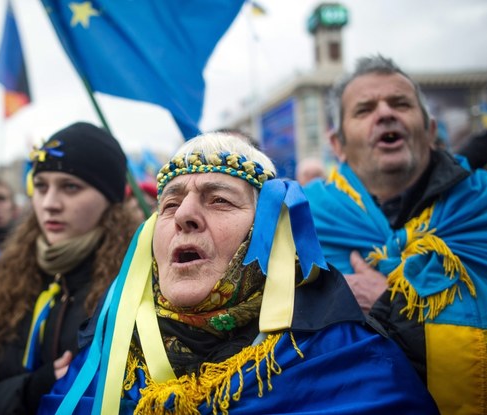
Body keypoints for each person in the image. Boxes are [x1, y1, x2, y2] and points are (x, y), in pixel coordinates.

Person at [39, 131, 438, 414]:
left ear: (270, 231)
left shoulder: (353, 363)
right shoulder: (108, 359)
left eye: (219, 200)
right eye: (171, 204)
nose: (186, 217)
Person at [304, 55, 487, 414]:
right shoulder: (300, 224)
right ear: (336, 143)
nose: (385, 114)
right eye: (364, 109)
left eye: (400, 103)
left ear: (430, 129)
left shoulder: (480, 207)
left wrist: (393, 307)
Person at [0, 122, 143, 414]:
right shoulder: (8, 277)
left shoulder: (135, 285)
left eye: (70, 187)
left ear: (110, 199)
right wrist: (29, 390)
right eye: (40, 186)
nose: (49, 203)